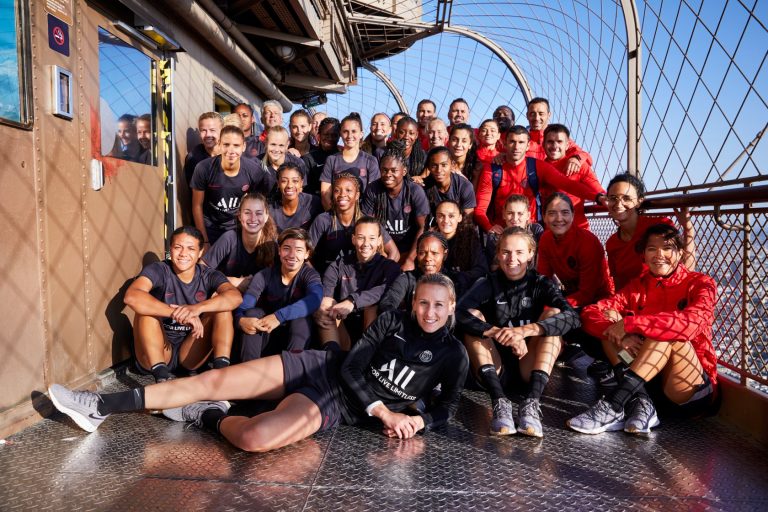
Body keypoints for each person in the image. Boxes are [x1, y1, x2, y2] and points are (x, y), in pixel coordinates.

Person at [49, 274, 469, 453]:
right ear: (413, 302)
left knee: (254, 438)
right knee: (213, 381)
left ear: (451, 307)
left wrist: (417, 422)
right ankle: (100, 406)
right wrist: (385, 412)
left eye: (438, 306)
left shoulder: (454, 355)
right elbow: (350, 368)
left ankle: (208, 418)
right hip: (321, 368)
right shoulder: (393, 321)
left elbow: (446, 407)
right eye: (423, 303)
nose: (429, 312)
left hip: (336, 406)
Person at [568, 224, 718, 434]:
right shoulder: (638, 285)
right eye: (651, 249)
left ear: (681, 253)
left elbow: (690, 324)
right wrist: (620, 331)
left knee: (666, 334)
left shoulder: (701, 283)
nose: (660, 255)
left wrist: (630, 324)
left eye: (668, 248)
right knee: (609, 327)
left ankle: (614, 405)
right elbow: (591, 312)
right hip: (648, 384)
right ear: (644, 256)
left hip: (688, 390)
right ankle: (642, 404)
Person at [457, 227, 580, 437]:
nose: (512, 258)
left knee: (553, 314)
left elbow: (573, 317)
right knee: (473, 318)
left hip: (527, 365)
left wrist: (525, 331)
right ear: (497, 254)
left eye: (519, 252)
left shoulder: (541, 283)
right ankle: (499, 402)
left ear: (531, 254)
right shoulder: (488, 282)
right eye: (505, 252)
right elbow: (457, 313)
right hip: (496, 367)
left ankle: (532, 402)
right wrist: (495, 331)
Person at [123, 226, 243, 382]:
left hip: (190, 350)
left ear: (200, 253)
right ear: (170, 249)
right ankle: (161, 378)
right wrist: (175, 313)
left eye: (191, 248)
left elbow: (235, 297)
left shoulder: (209, 275)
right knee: (144, 311)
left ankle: (221, 375)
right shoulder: (159, 269)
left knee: (223, 309)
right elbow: (131, 297)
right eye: (178, 247)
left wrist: (196, 309)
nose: (183, 254)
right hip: (158, 352)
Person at [474, 125, 605, 235]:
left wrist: (598, 197)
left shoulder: (537, 166)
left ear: (527, 146)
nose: (516, 147)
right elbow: (480, 209)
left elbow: (567, 184)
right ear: (505, 144)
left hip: (531, 231)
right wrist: (489, 227)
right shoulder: (491, 170)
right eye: (512, 142)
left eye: (521, 142)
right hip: (502, 232)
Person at [315, 217, 402, 351]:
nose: (366, 243)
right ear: (353, 239)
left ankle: (364, 358)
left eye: (372, 238)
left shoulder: (390, 267)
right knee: (326, 304)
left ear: (379, 241)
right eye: (361, 237)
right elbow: (326, 291)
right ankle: (331, 356)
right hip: (343, 323)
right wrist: (321, 309)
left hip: (372, 327)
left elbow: (384, 290)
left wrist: (352, 301)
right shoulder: (338, 265)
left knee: (371, 307)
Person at [236, 228, 322, 362]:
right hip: (266, 334)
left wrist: (279, 316)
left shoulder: (310, 275)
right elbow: (245, 305)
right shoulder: (264, 275)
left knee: (302, 321)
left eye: (299, 250)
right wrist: (240, 320)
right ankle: (248, 372)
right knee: (252, 314)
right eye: (287, 248)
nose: (292, 255)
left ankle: (292, 376)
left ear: (307, 254)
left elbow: (315, 299)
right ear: (279, 251)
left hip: (295, 338)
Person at [605, 172, 695, 291]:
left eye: (626, 198)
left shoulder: (659, 226)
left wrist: (688, 230)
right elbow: (619, 284)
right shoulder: (612, 243)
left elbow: (685, 269)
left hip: (664, 300)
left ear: (639, 201)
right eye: (613, 198)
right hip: (632, 303)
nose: (618, 204)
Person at [191, 125, 273, 245]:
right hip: (210, 225)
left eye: (236, 145)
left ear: (243, 146)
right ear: (219, 144)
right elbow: (197, 205)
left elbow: (260, 203)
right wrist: (204, 241)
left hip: (238, 225)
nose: (231, 150)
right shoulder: (203, 168)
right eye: (226, 144)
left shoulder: (254, 170)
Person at [309, 172, 399, 274]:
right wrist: (315, 280)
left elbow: (394, 253)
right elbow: (304, 255)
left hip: (360, 280)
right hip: (330, 280)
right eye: (337, 190)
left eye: (348, 190)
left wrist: (378, 275)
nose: (342, 194)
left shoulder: (367, 222)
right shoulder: (323, 220)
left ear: (357, 195)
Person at [537, 193, 613, 308]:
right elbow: (543, 280)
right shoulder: (545, 239)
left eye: (565, 213)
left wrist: (554, 307)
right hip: (571, 297)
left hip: (600, 301)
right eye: (552, 213)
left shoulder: (587, 241)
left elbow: (587, 294)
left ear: (573, 215)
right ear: (544, 217)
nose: (559, 219)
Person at [362, 143, 430, 270]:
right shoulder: (373, 189)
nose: (388, 174)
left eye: (394, 170)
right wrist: (383, 252)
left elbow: (423, 227)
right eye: (384, 170)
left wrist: (410, 259)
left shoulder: (415, 191)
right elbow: (369, 225)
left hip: (410, 249)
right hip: (383, 248)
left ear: (404, 171)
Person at [203, 192, 278, 293]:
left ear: (266, 216)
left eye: (259, 213)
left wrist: (254, 283)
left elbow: (281, 280)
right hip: (228, 294)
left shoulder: (272, 245)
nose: (253, 218)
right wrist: (233, 281)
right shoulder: (229, 238)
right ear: (239, 215)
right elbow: (201, 271)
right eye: (247, 212)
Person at [539, 124, 603, 230]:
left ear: (567, 145)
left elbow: (599, 192)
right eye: (550, 142)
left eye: (559, 142)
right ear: (543, 144)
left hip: (578, 230)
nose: (554, 146)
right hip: (550, 232)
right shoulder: (539, 169)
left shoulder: (579, 166)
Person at [320, 113, 381, 210]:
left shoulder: (370, 161)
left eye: (354, 131)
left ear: (361, 134)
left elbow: (374, 195)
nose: (349, 135)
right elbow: (325, 195)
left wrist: (362, 220)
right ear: (340, 133)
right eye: (345, 131)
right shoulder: (332, 160)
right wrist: (336, 217)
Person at [379, 231, 448, 313]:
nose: (428, 258)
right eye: (422, 253)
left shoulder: (454, 280)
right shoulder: (407, 279)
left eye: (434, 253)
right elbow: (386, 304)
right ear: (417, 254)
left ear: (444, 254)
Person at [433, 200, 488, 297]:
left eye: (451, 216)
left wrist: (457, 278)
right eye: (441, 216)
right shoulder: (429, 240)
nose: (446, 220)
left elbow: (481, 269)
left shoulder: (470, 240)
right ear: (436, 218)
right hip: (434, 289)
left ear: (460, 217)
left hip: (462, 291)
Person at [525, 97, 592, 170]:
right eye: (532, 114)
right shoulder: (520, 141)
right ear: (527, 115)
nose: (536, 118)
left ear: (549, 115)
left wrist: (575, 158)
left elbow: (584, 155)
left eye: (541, 114)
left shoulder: (560, 137)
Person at [484, 194, 545, 270]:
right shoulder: (495, 236)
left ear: (528, 215)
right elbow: (491, 268)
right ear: (504, 214)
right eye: (510, 213)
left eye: (520, 214)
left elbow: (543, 263)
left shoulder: (536, 231)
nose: (515, 218)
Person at [421, 146, 476, 216]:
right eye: (434, 165)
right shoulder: (423, 187)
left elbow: (468, 220)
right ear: (428, 167)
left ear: (452, 165)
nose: (439, 170)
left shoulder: (464, 186)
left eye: (444, 165)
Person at [257, 126, 308, 198]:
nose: (276, 149)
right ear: (265, 142)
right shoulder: (256, 164)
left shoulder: (298, 163)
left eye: (281, 145)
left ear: (287, 145)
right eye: (273, 144)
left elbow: (300, 191)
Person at [269, 163, 322, 232]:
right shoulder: (269, 208)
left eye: (295, 181)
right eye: (284, 181)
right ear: (278, 183)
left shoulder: (313, 202)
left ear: (301, 183)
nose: (290, 185)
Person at [302, 116, 341, 197]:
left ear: (339, 136)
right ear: (318, 136)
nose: (330, 138)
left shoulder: (344, 158)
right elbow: (304, 190)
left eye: (334, 135)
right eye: (326, 134)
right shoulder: (308, 159)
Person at [183, 112, 222, 189]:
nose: (208, 135)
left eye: (212, 130)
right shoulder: (194, 158)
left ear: (223, 131)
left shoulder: (232, 153)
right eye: (203, 130)